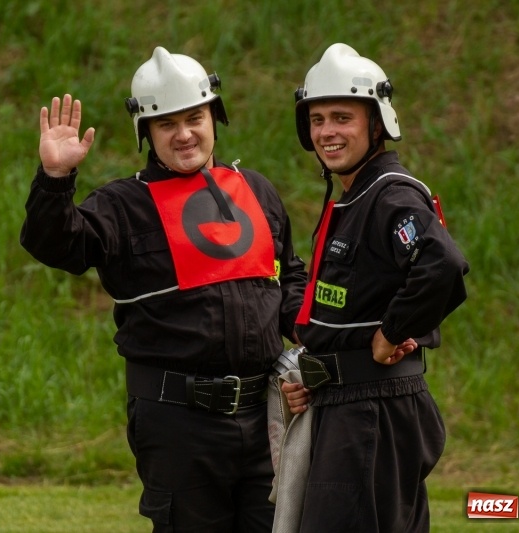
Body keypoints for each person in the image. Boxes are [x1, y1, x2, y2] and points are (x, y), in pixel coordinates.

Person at [20, 47, 307, 532]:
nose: (184, 134)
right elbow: (58, 245)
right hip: (178, 426)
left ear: (215, 116)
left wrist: (315, 340)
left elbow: (290, 277)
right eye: (166, 124)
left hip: (266, 419)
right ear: (146, 133)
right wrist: (55, 178)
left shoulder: (255, 190)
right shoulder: (122, 205)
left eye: (194, 117)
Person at [281, 43, 470, 532]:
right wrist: (314, 375)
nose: (327, 132)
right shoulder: (353, 195)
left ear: (377, 122)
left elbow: (441, 263)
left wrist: (394, 330)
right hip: (350, 406)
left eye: (342, 117)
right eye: (317, 119)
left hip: (372, 411)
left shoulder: (390, 194)